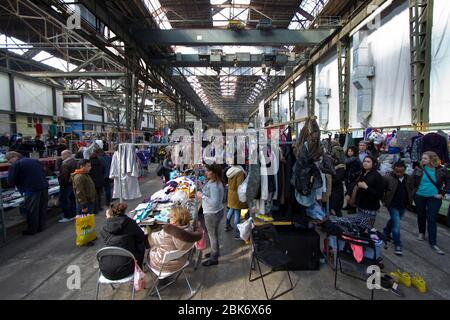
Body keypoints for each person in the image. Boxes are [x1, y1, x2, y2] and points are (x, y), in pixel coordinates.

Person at [331, 156, 384, 229]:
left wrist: (366, 187)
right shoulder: (363, 173)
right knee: (359, 227)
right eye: (364, 161)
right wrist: (349, 194)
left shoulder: (377, 176)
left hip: (370, 208)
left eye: (368, 162)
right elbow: (355, 184)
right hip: (361, 206)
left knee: (366, 228)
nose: (365, 163)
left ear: (374, 164)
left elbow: (379, 194)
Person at [413, 151, 449, 255]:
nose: (422, 160)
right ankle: (421, 232)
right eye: (422, 158)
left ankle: (433, 242)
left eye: (425, 158)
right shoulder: (418, 168)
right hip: (420, 195)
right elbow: (412, 181)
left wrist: (442, 193)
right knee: (421, 215)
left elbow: (448, 182)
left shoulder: (442, 170)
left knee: (432, 218)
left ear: (432, 159)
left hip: (434, 197)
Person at [99, 203, 146, 280]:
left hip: (105, 270)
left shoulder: (104, 226)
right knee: (140, 243)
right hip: (126, 269)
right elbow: (141, 237)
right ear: (124, 212)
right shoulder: (130, 223)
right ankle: (139, 269)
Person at [6, 151, 49, 235]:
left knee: (32, 210)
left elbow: (10, 181)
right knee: (42, 208)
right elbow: (44, 172)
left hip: (31, 190)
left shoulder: (16, 164)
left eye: (9, 160)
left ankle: (32, 230)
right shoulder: (34, 160)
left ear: (14, 157)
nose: (9, 162)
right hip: (43, 187)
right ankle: (41, 227)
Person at [148, 207, 201, 274]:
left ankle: (161, 281)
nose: (168, 217)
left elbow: (154, 239)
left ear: (174, 220)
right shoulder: (190, 229)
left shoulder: (167, 232)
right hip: (181, 260)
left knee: (151, 249)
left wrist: (150, 235)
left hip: (164, 266)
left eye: (170, 217)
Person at [383, 161, 415, 256]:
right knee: (396, 225)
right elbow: (382, 189)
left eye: (401, 172)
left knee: (394, 220)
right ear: (394, 170)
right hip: (392, 204)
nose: (399, 174)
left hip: (403, 205)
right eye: (397, 172)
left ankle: (386, 231)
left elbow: (411, 189)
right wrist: (384, 200)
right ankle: (398, 244)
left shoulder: (408, 178)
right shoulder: (388, 178)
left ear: (404, 170)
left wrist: (410, 199)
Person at [197, 164, 224, 266]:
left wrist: (202, 196)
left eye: (208, 171)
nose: (206, 172)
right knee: (213, 234)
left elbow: (214, 202)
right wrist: (201, 186)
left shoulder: (215, 185)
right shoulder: (213, 182)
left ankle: (214, 259)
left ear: (214, 172)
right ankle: (215, 252)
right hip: (215, 212)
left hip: (212, 213)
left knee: (212, 236)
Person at [224, 163, 247, 239]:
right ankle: (237, 234)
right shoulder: (239, 172)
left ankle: (227, 226)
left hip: (231, 194)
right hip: (237, 196)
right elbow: (240, 186)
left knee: (231, 209)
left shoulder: (230, 170)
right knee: (237, 213)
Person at [57, 150, 78, 223]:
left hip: (66, 185)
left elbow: (64, 176)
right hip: (73, 183)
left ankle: (67, 215)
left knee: (64, 200)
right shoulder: (75, 162)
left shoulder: (66, 164)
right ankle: (73, 214)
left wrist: (60, 182)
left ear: (67, 155)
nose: (61, 157)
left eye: (62, 155)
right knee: (72, 199)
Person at [343, 146, 362, 212]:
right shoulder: (348, 159)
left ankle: (353, 208)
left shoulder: (355, 159)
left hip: (353, 178)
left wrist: (355, 175)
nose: (349, 152)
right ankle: (348, 206)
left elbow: (360, 169)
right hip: (348, 177)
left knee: (352, 193)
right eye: (349, 151)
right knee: (349, 192)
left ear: (354, 152)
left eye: (351, 151)